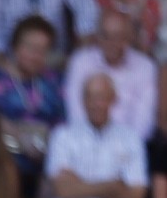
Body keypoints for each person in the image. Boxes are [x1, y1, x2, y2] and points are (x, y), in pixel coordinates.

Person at [0, 15, 66, 198]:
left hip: (45, 149)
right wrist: (22, 140)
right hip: (8, 145)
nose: (37, 56)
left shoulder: (53, 80)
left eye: (43, 50)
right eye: (31, 48)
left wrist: (46, 145)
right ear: (15, 47)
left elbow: (61, 120)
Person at [64, 9, 158, 141]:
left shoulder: (145, 67)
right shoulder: (80, 62)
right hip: (84, 141)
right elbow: (75, 112)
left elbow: (144, 119)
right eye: (105, 35)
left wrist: (124, 146)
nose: (111, 42)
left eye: (118, 36)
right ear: (97, 36)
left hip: (129, 145)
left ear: (129, 38)